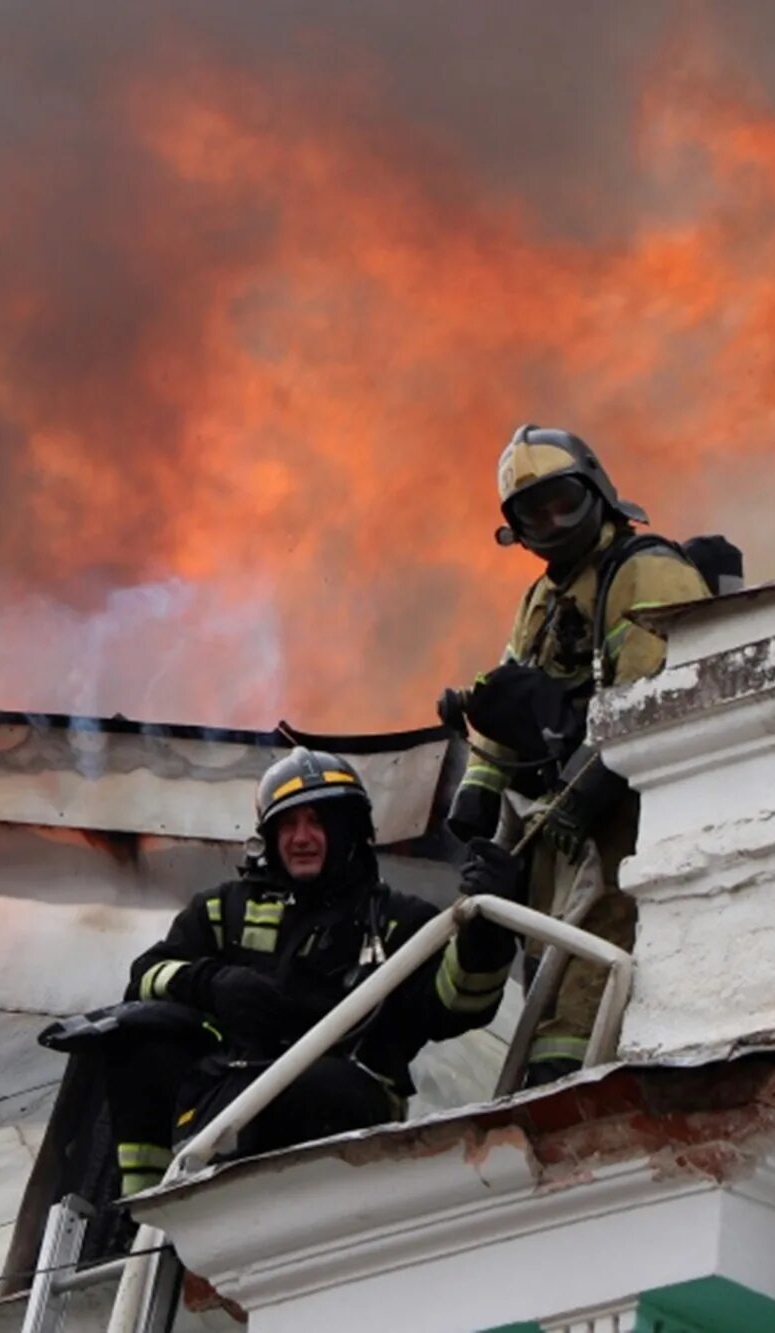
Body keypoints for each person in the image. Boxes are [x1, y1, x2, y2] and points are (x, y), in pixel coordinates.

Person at [102, 747, 523, 1196]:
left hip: (344, 1103)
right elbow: (145, 976)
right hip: (226, 1093)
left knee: (307, 1088)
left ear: (351, 830)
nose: (301, 837)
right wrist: (212, 984)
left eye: (318, 821)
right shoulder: (223, 908)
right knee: (131, 1037)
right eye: (288, 823)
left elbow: (457, 1006)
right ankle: (144, 1217)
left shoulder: (400, 921)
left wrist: (485, 935)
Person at [441, 424, 710, 1086]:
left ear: (595, 490)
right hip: (555, 819)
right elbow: (511, 692)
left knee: (598, 945)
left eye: (564, 501)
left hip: (625, 808)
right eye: (535, 513)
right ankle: (545, 1078)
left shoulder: (646, 568)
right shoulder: (540, 599)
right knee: (545, 953)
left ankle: (565, 1086)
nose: (554, 521)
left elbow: (658, 692)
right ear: (517, 529)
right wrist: (479, 782)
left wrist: (585, 783)